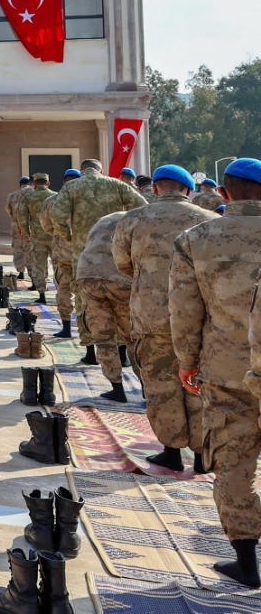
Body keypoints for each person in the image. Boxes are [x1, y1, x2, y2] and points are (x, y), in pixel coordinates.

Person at [173, 158, 261, 586]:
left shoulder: (196, 239)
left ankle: (247, 563)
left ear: (224, 193)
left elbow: (184, 309)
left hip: (227, 371)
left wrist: (186, 361)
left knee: (234, 465)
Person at [113, 162, 217, 475]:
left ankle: (171, 452)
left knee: (160, 385)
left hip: (151, 316)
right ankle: (202, 456)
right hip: (201, 319)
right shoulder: (210, 220)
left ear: (156, 188)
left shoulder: (133, 219)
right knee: (200, 384)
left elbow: (122, 264)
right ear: (188, 190)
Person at [49, 158, 146, 338]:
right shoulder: (117, 184)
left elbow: (57, 215)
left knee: (84, 297)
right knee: (120, 297)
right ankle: (122, 347)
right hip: (115, 249)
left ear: (82, 171)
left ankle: (89, 345)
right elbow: (142, 207)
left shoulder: (71, 187)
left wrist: (68, 236)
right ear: (101, 171)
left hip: (83, 251)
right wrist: (128, 231)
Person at [73, 210, 133, 401]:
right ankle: (147, 389)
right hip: (120, 280)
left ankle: (117, 388)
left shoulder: (105, 219)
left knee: (103, 335)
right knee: (134, 336)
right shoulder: (140, 221)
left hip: (88, 275)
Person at [17, 174, 59, 301]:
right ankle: (61, 294)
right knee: (58, 266)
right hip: (54, 237)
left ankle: (42, 294)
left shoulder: (28, 197)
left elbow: (22, 218)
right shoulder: (56, 196)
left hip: (36, 237)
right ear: (48, 183)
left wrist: (27, 233)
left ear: (34, 183)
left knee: (39, 266)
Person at [6, 176, 32, 278]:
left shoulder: (12, 196)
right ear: (29, 183)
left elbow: (9, 210)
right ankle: (32, 273)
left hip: (16, 226)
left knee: (18, 249)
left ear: (20, 184)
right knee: (30, 249)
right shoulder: (33, 194)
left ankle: (20, 272)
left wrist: (15, 218)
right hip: (31, 226)